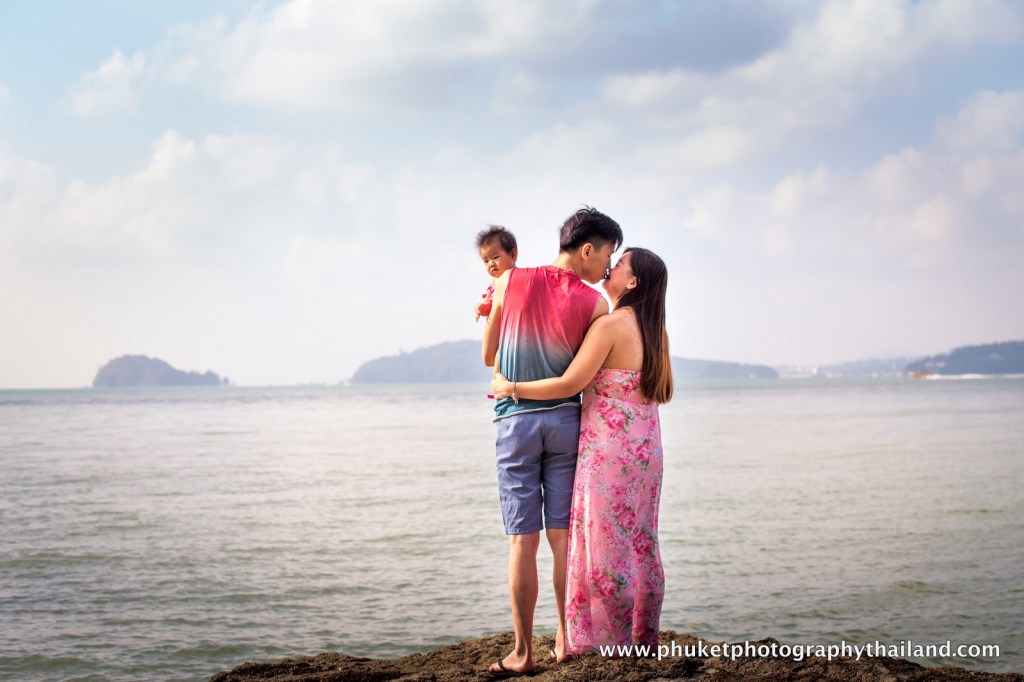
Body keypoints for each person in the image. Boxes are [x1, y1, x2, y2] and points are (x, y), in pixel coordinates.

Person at [492, 247, 673, 660]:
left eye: (620, 262)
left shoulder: (610, 326)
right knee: (639, 541)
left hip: (608, 453)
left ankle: (598, 642)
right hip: (646, 450)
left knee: (600, 544)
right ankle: (639, 638)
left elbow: (568, 382)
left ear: (632, 282)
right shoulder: (656, 331)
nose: (610, 266)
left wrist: (511, 389)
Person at [482, 207, 623, 677]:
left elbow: (490, 356)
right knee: (562, 537)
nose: (607, 267)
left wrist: (487, 317)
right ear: (587, 249)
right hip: (565, 423)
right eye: (607, 256)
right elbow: (583, 375)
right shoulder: (596, 305)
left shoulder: (509, 281)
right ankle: (566, 638)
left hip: (516, 422)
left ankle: (522, 653)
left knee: (522, 542)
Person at [475, 226, 519, 321]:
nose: (491, 263)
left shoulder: (521, 276)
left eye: (495, 257)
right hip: (500, 328)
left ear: (513, 254)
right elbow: (488, 306)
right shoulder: (493, 284)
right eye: (486, 261)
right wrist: (481, 308)